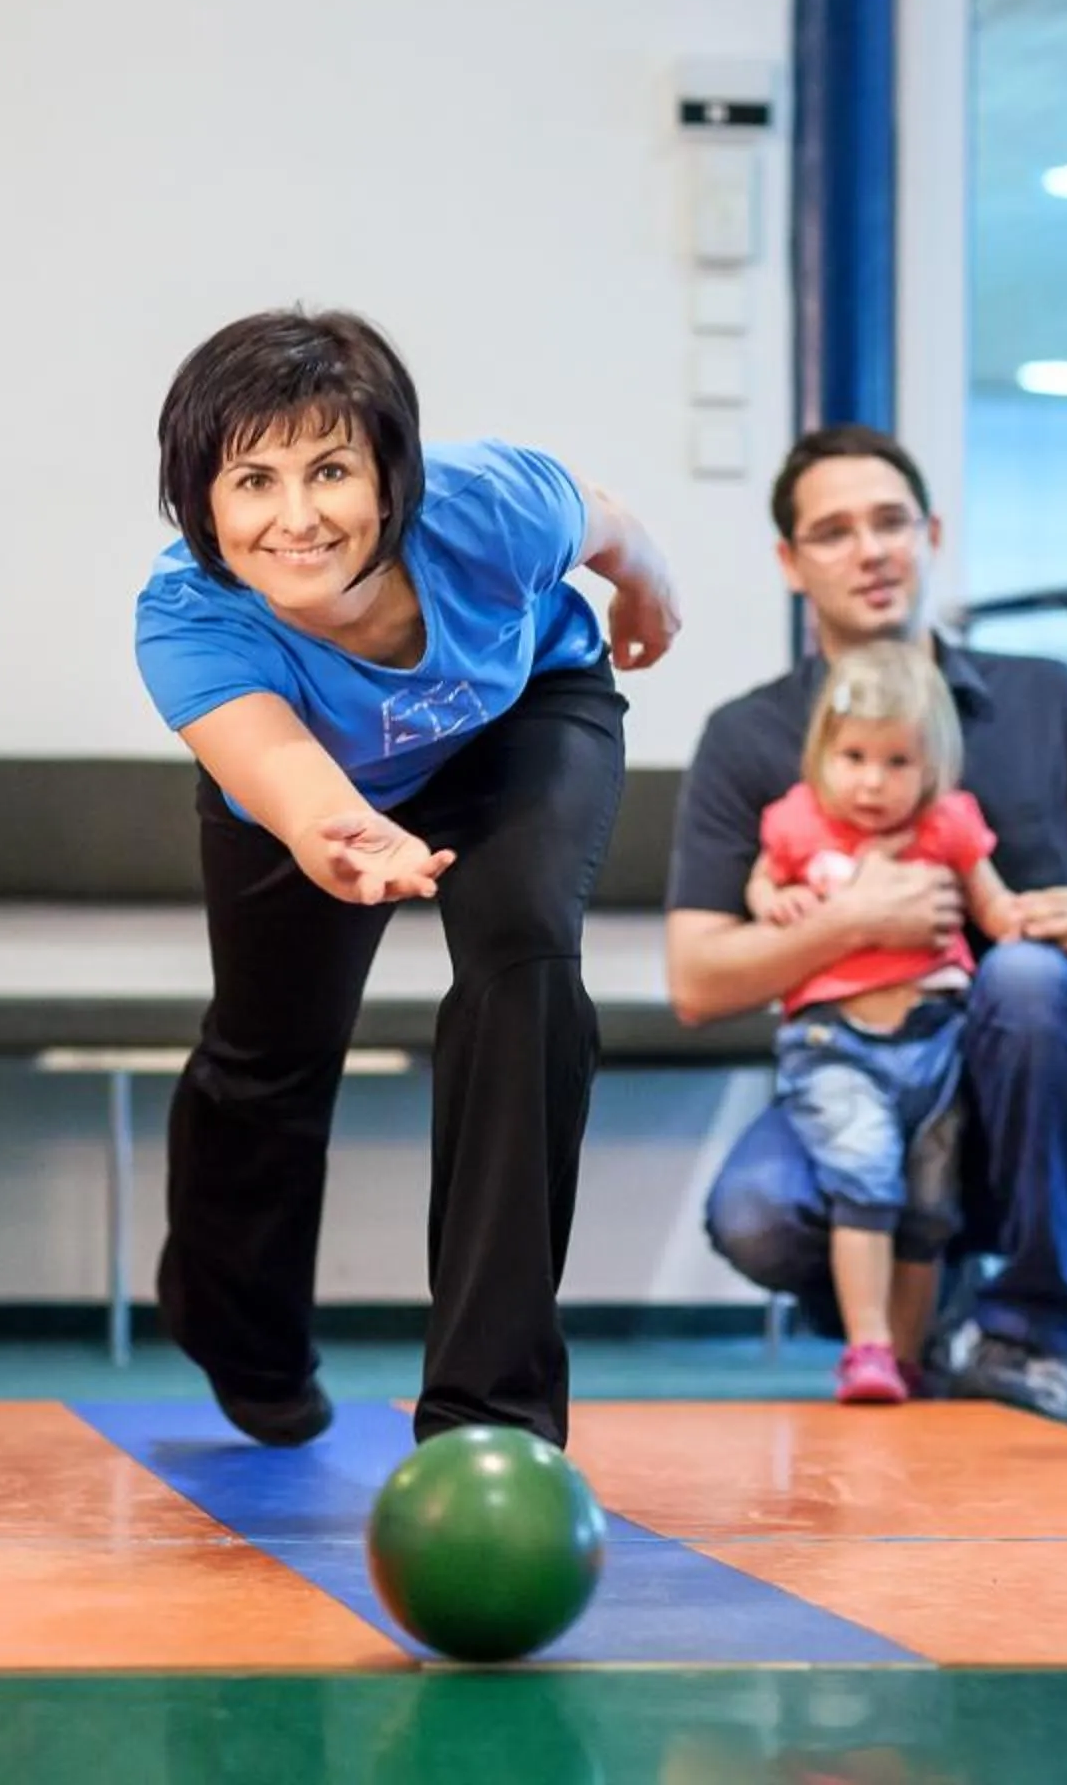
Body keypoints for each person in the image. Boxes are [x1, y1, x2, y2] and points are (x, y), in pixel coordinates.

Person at [132, 307, 680, 1450]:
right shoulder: (189, 619)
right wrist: (343, 832)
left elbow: (616, 528)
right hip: (323, 785)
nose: (296, 516)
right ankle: (242, 1331)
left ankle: (490, 1407)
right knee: (267, 1050)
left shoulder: (494, 504)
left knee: (525, 961)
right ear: (203, 504)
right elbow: (285, 774)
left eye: (331, 468)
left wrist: (646, 594)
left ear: (392, 477)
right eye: (253, 480)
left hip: (519, 719)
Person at [666, 423, 1067, 1422]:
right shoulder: (747, 738)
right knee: (753, 1210)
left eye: (890, 521)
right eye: (833, 531)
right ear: (790, 561)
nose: (870, 549)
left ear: (932, 532)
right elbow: (698, 978)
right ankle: (917, 1309)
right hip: (853, 1066)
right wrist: (850, 918)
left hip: (1031, 1094)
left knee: (1032, 977)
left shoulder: (1045, 699)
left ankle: (1036, 1336)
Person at [747, 640, 1021, 1404]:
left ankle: (904, 1356)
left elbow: (992, 904)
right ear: (822, 754)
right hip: (836, 1043)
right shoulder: (801, 823)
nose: (872, 781)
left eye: (898, 762)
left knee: (930, 1209)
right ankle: (865, 1345)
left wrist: (1027, 922)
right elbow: (764, 880)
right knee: (864, 1179)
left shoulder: (949, 824)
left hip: (935, 1039)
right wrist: (776, 902)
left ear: (932, 764)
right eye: (855, 757)